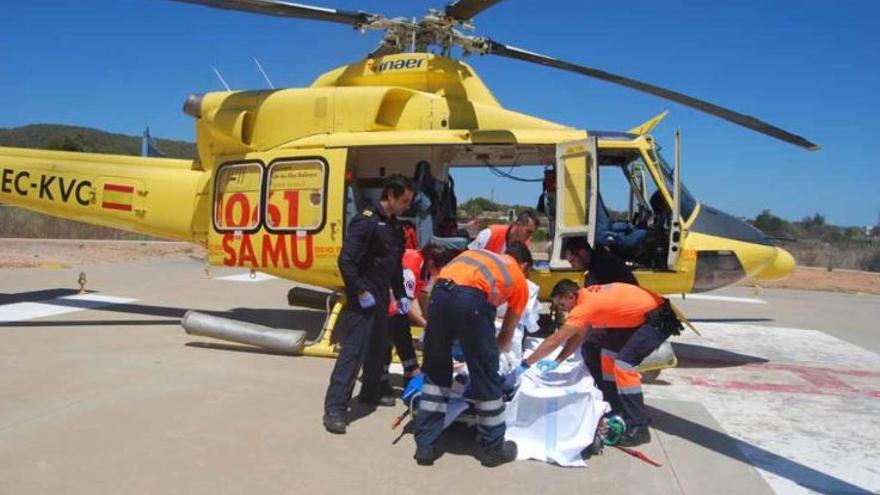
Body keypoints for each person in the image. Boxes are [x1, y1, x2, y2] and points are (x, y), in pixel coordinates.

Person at [516, 279, 683, 446]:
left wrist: (526, 364)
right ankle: (616, 406)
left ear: (570, 296)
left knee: (624, 364)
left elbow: (555, 339)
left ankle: (639, 427)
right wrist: (559, 360)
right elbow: (579, 335)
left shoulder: (585, 307)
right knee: (608, 353)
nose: (562, 309)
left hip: (658, 320)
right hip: (641, 317)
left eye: (561, 304)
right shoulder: (585, 297)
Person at [414, 243, 533, 467]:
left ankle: (425, 445)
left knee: (436, 371)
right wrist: (488, 357)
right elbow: (507, 334)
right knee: (486, 375)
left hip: (439, 293)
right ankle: (494, 449)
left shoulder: (480, 255)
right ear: (524, 265)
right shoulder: (518, 278)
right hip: (471, 300)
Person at [322, 175, 415, 435]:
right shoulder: (366, 221)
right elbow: (346, 261)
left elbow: (395, 266)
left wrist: (401, 294)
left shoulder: (395, 228)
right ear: (391, 196)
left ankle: (371, 392)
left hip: (382, 295)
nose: (408, 205)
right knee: (354, 352)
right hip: (363, 297)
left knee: (378, 348)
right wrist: (360, 291)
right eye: (405, 200)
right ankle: (335, 409)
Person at [385, 243, 462, 386]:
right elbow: (403, 304)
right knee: (391, 336)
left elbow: (423, 295)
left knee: (402, 335)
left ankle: (411, 372)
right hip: (386, 304)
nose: (440, 273)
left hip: (396, 306)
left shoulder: (427, 269)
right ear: (432, 263)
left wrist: (429, 319)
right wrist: (425, 324)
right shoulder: (411, 268)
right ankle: (382, 379)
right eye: (439, 269)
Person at [562, 237, 638, 286]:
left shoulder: (603, 266)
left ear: (582, 252)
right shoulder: (596, 262)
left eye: (572, 261)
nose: (572, 266)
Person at [467, 209, 539, 254]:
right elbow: (469, 259)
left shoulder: (525, 245)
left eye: (532, 233)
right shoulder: (489, 234)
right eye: (528, 232)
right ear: (518, 224)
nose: (530, 236)